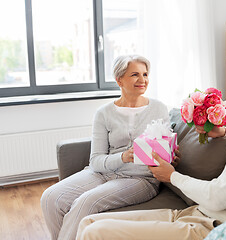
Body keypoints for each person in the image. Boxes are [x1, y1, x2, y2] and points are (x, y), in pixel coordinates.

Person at [75, 40, 226, 240]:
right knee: (89, 223)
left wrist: (171, 176)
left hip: (213, 227)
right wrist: (225, 132)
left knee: (93, 233)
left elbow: (217, 197)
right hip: (199, 214)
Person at [40, 55, 177, 240]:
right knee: (50, 197)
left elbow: (164, 148)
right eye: (135, 74)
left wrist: (171, 154)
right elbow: (96, 161)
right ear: (119, 79)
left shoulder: (159, 108)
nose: (142, 80)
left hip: (140, 178)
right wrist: (123, 157)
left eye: (145, 74)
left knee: (86, 202)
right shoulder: (103, 113)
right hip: (102, 172)